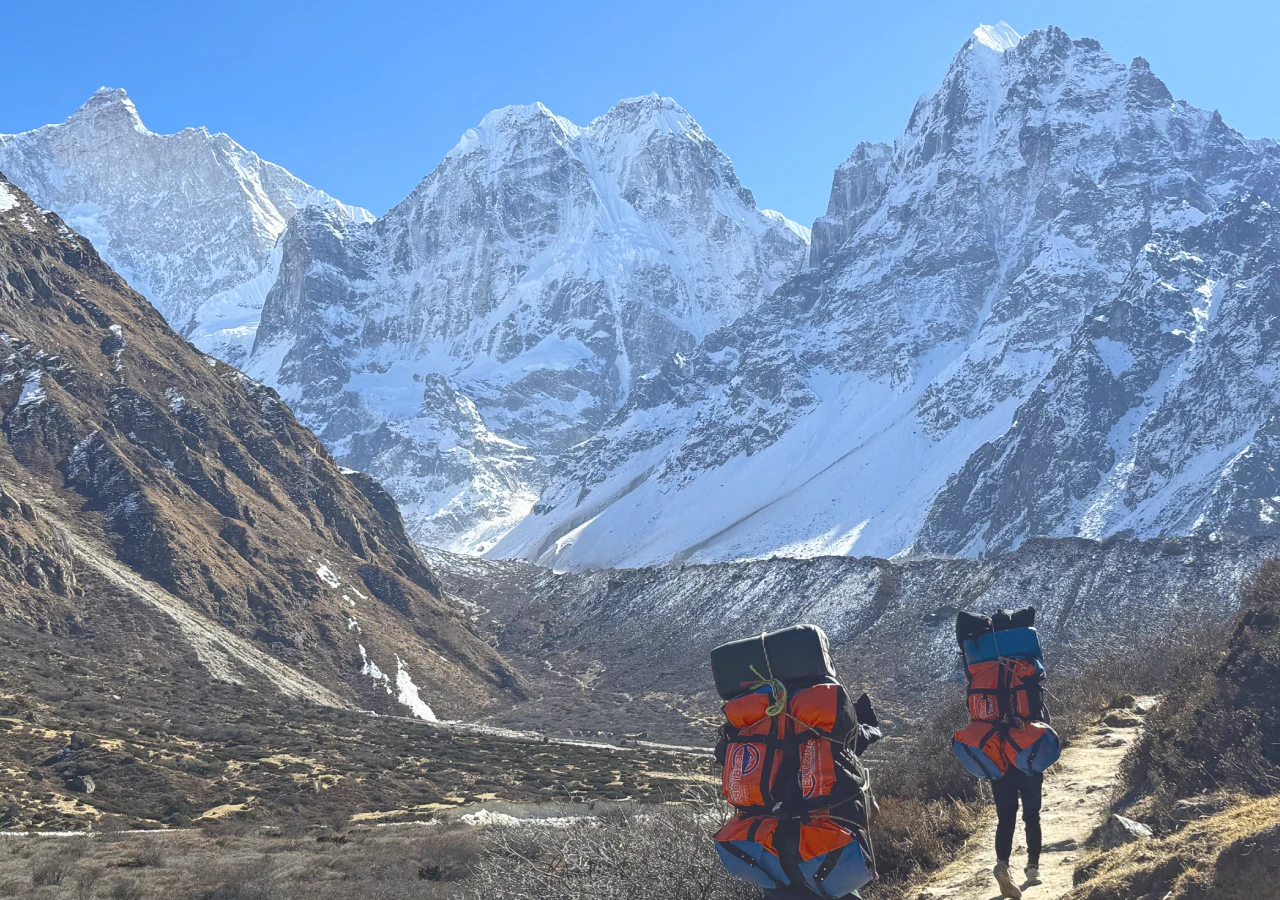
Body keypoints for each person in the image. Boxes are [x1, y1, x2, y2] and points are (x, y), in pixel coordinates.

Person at [992, 767, 1041, 898]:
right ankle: (1033, 868)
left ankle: (1003, 865)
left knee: (1005, 821)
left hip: (1000, 771)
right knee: (1032, 818)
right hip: (1028, 766)